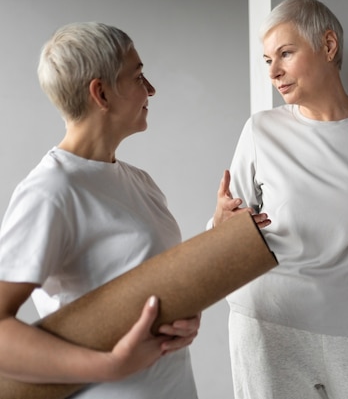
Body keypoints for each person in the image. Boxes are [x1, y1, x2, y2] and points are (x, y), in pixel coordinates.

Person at [209, 0, 348, 399]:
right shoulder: (260, 131)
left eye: (285, 53)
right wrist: (222, 222)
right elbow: (225, 236)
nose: (274, 71)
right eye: (268, 59)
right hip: (270, 321)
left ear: (328, 46)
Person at [0, 22, 199, 398]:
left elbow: (155, 289)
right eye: (139, 76)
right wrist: (110, 366)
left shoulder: (140, 182)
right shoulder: (51, 191)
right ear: (101, 92)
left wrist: (182, 318)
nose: (151, 89)